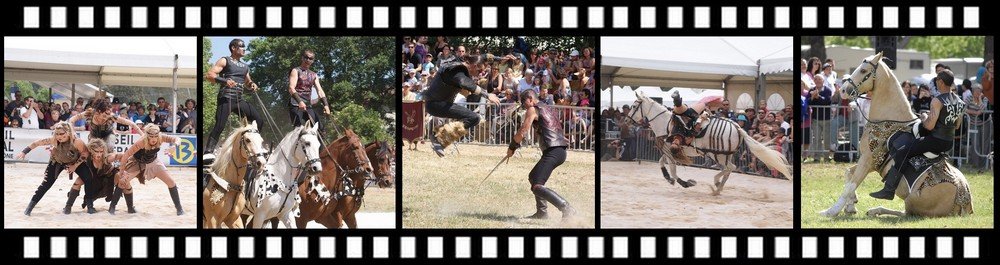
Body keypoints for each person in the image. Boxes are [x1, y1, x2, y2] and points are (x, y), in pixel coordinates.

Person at [871, 70, 965, 200]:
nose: (936, 83)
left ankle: (889, 190)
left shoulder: (937, 101)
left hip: (935, 140)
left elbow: (929, 126)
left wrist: (925, 116)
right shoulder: (960, 102)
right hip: (948, 142)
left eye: (937, 80)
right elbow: (957, 125)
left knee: (903, 151)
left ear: (941, 82)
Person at [505, 90, 576, 220]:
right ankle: (542, 213)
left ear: (531, 99)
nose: (523, 105)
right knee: (533, 177)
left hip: (554, 151)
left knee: (537, 185)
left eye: (524, 101)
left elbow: (523, 131)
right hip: (557, 151)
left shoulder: (533, 109)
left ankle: (566, 208)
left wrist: (512, 147)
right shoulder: (546, 107)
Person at [423, 53, 504, 157]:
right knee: (473, 117)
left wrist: (500, 58)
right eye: (479, 71)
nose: (480, 73)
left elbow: (481, 57)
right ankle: (439, 138)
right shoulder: (457, 71)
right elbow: (464, 82)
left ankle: (438, 135)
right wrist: (487, 95)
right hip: (436, 104)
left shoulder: (461, 64)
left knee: (473, 117)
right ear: (474, 66)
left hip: (438, 103)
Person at [16, 122, 91, 216]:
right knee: (46, 184)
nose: (59, 136)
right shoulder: (54, 140)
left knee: (88, 178)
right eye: (57, 134)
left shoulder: (77, 141)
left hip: (74, 161)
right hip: (57, 162)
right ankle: (29, 208)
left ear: (68, 133)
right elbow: (36, 143)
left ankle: (88, 206)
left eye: (61, 134)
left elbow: (85, 153)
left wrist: (75, 166)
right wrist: (24, 152)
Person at [204, 38, 261, 161]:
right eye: (241, 46)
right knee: (220, 125)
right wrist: (225, 81)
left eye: (244, 46)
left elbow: (247, 81)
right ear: (233, 48)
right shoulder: (225, 60)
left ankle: (253, 147)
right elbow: (209, 75)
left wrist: (252, 84)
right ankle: (208, 152)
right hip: (226, 98)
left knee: (259, 121)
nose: (244, 49)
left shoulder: (245, 66)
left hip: (239, 100)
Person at [110, 124, 185, 215]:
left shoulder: (161, 137)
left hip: (153, 162)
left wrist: (174, 146)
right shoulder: (141, 142)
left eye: (155, 136)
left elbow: (178, 139)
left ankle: (179, 209)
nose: (154, 139)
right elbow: (126, 155)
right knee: (122, 181)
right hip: (137, 162)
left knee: (171, 182)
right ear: (147, 136)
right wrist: (122, 171)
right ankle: (114, 207)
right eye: (151, 136)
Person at [67, 98, 143, 150]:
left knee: (109, 147)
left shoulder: (111, 116)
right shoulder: (90, 112)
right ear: (99, 111)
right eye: (104, 114)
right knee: (90, 150)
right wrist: (72, 132)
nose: (106, 116)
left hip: (108, 134)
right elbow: (71, 120)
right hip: (94, 135)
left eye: (108, 113)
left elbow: (132, 124)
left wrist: (142, 135)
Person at [288, 49, 332, 132]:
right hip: (296, 104)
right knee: (298, 130)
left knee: (320, 129)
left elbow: (320, 91)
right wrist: (300, 102)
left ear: (313, 61)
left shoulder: (314, 75)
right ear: (302, 58)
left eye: (310, 59)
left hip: (308, 105)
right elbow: (291, 88)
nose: (308, 60)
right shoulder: (296, 71)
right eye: (306, 58)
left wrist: (326, 105)